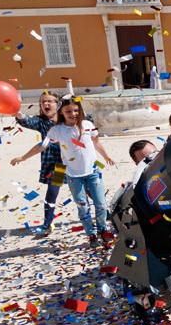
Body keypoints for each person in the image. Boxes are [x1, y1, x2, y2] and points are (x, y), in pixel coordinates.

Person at [11, 97, 116, 249]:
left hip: (91, 171)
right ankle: (84, 232)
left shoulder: (87, 124)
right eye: (68, 111)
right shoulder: (53, 128)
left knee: (99, 202)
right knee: (77, 203)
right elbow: (41, 143)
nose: (72, 114)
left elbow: (96, 140)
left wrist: (106, 156)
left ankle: (102, 229)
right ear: (61, 111)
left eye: (75, 110)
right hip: (66, 171)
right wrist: (23, 157)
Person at [13, 91, 61, 235]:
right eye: (43, 102)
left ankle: (106, 214)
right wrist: (18, 114)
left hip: (74, 162)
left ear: (57, 104)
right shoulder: (41, 122)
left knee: (86, 190)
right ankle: (47, 223)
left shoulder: (66, 119)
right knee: (52, 193)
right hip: (56, 166)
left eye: (49, 101)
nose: (46, 104)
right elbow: (28, 121)